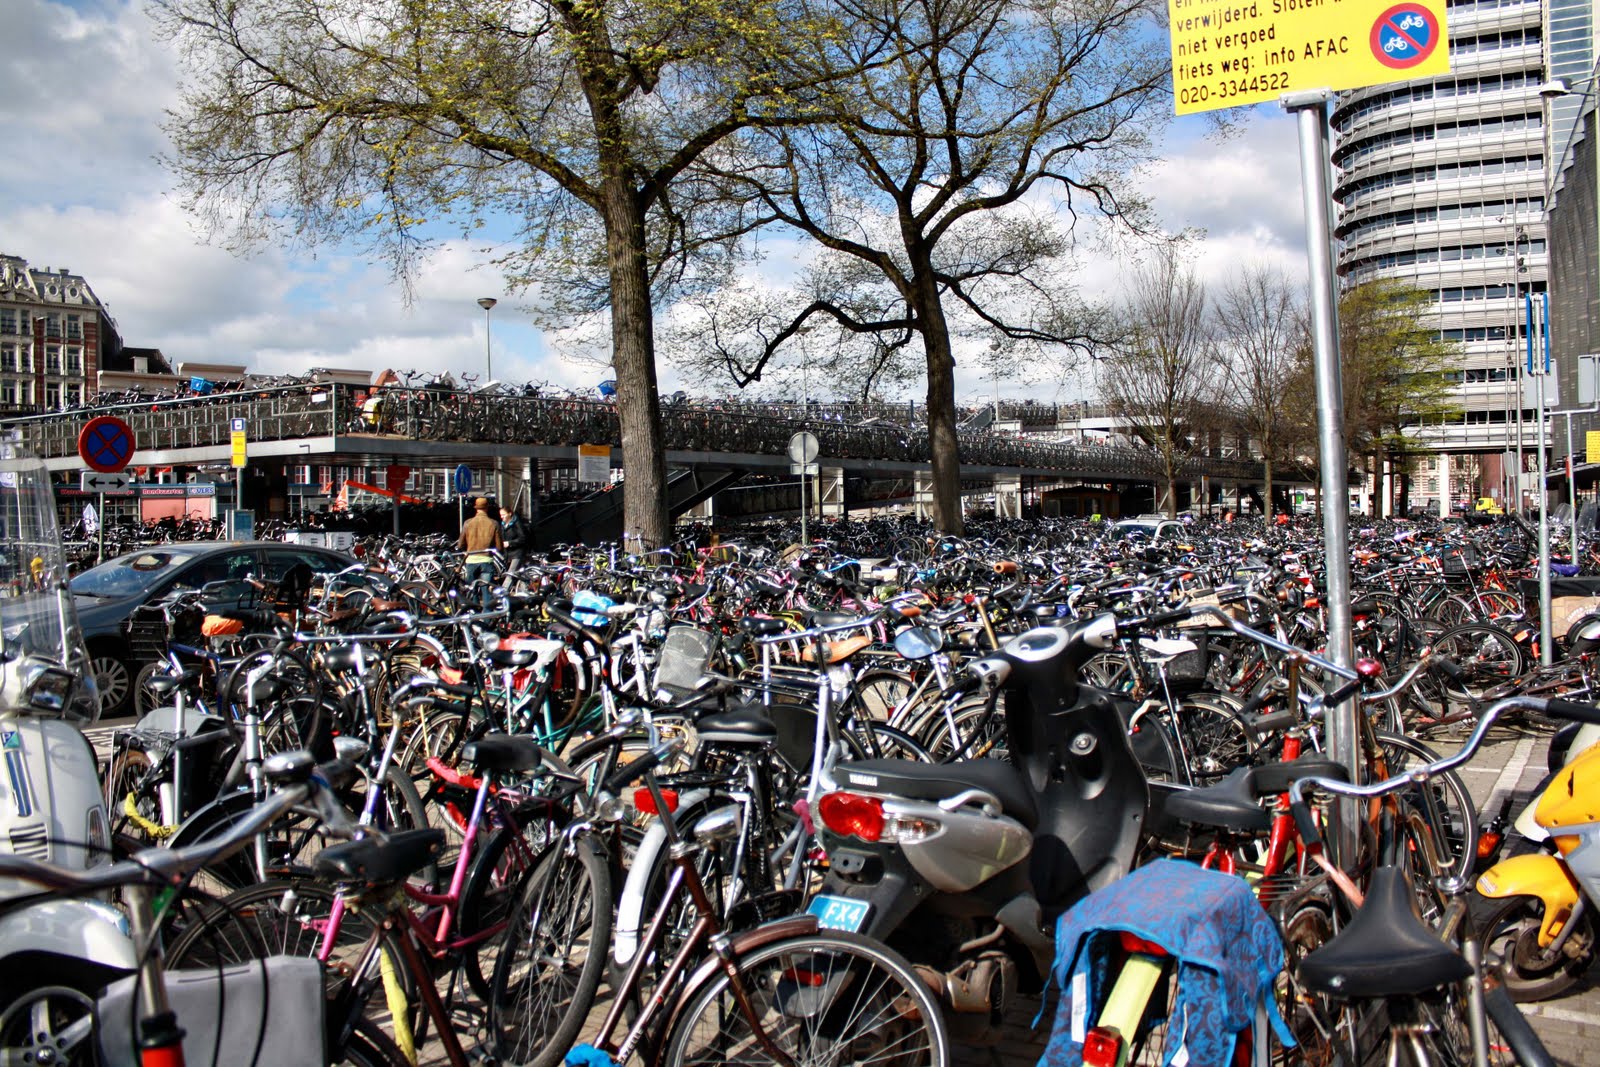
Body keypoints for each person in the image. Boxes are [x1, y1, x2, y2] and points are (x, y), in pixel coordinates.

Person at [457, 497, 503, 604]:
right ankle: (487, 617)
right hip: (486, 560)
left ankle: (474, 613)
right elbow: (499, 547)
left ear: (476, 508)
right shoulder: (494, 523)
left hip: (471, 560)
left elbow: (460, 544)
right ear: (487, 508)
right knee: (486, 590)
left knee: (472, 590)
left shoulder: (468, 523)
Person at [500, 505, 527, 575]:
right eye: (501, 515)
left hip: (517, 553)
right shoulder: (503, 525)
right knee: (517, 574)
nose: (501, 517)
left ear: (510, 514)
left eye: (503, 515)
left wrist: (509, 543)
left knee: (510, 574)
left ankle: (505, 586)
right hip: (508, 554)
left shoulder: (517, 524)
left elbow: (523, 538)